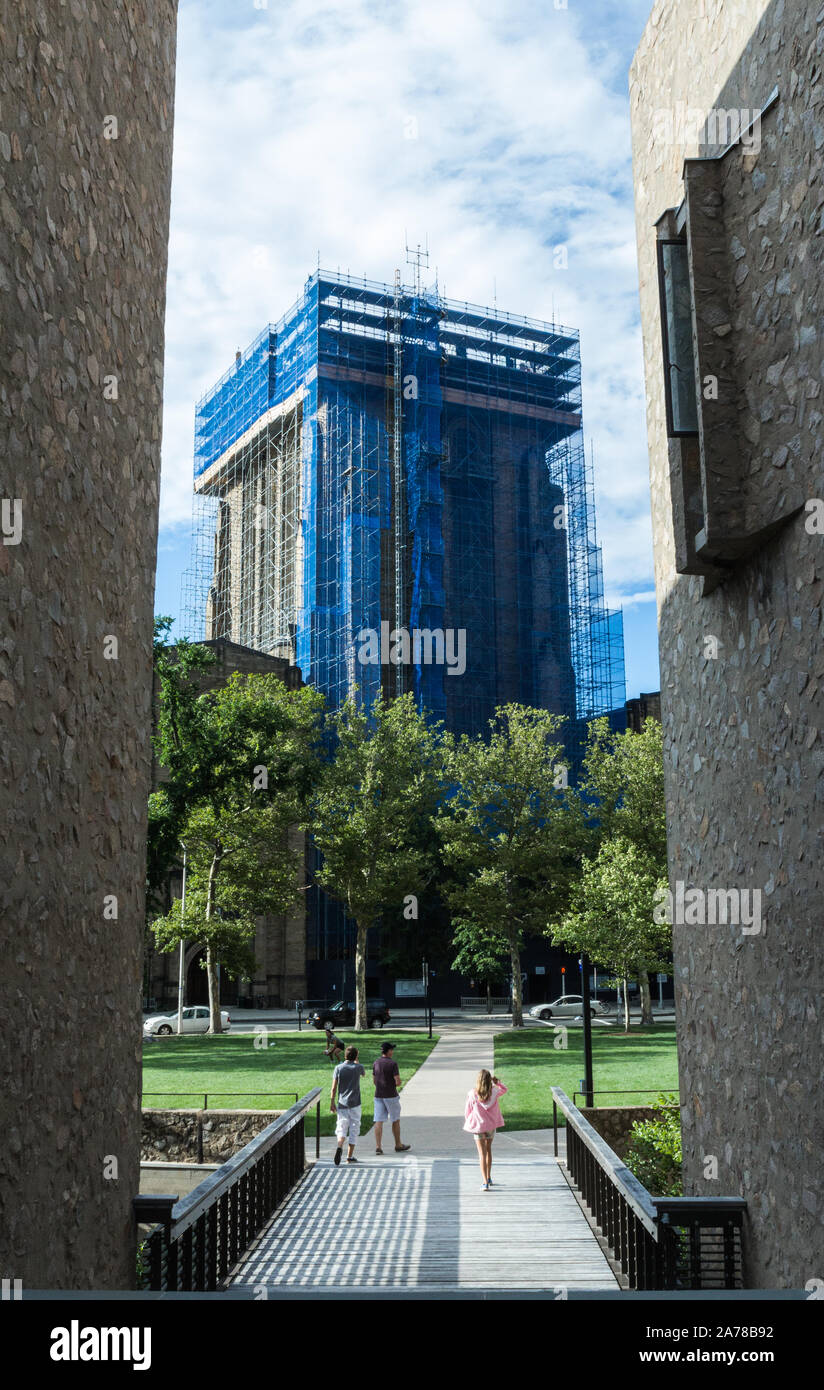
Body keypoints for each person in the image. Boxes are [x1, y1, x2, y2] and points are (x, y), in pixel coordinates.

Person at [464, 1069, 507, 1191]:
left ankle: (484, 1182)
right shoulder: (494, 1091)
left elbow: (468, 1111)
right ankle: (488, 1177)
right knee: (488, 1150)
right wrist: (498, 1082)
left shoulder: (472, 1094)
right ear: (489, 1080)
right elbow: (505, 1089)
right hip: (491, 1126)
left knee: (481, 1154)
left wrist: (469, 1122)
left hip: (478, 1127)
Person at [372, 1040, 410, 1155]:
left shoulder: (376, 1063)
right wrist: (397, 1083)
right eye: (392, 1049)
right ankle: (398, 1144)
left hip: (378, 1095)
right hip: (391, 1096)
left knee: (378, 1120)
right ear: (388, 1051)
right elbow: (397, 1082)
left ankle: (378, 1147)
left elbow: (374, 1080)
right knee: (395, 1119)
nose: (392, 1051)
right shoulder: (393, 1064)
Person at [330, 1045, 365, 1165]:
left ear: (345, 1055)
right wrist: (357, 1060)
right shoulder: (358, 1067)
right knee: (354, 1128)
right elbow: (364, 1074)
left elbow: (334, 1088)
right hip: (355, 1104)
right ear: (356, 1056)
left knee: (341, 1127)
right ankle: (349, 1157)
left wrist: (332, 1102)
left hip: (342, 1103)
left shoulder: (338, 1068)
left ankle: (340, 1145)